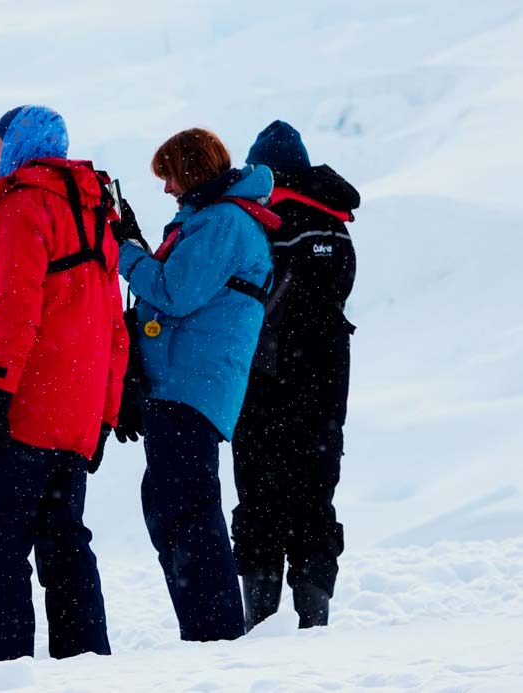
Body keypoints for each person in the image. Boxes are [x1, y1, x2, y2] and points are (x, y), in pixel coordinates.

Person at [0, 105, 129, 664]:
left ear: (20, 142)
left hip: (24, 403)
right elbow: (112, 326)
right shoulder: (98, 215)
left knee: (0, 545)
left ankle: (4, 671)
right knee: (65, 543)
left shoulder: (22, 206)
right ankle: (85, 664)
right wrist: (104, 415)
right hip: (75, 414)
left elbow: (16, 306)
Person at [111, 128, 277, 642]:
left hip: (192, 386)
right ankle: (208, 627)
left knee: (185, 510)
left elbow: (172, 292)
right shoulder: (212, 221)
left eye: (170, 176)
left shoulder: (224, 222)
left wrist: (124, 250)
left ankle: (215, 633)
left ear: (194, 170)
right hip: (181, 385)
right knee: (170, 505)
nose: (166, 189)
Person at [231, 120, 360, 630]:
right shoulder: (335, 222)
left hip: (263, 381)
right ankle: (314, 619)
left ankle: (259, 622)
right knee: (314, 499)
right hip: (326, 383)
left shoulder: (257, 221)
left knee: (259, 500)